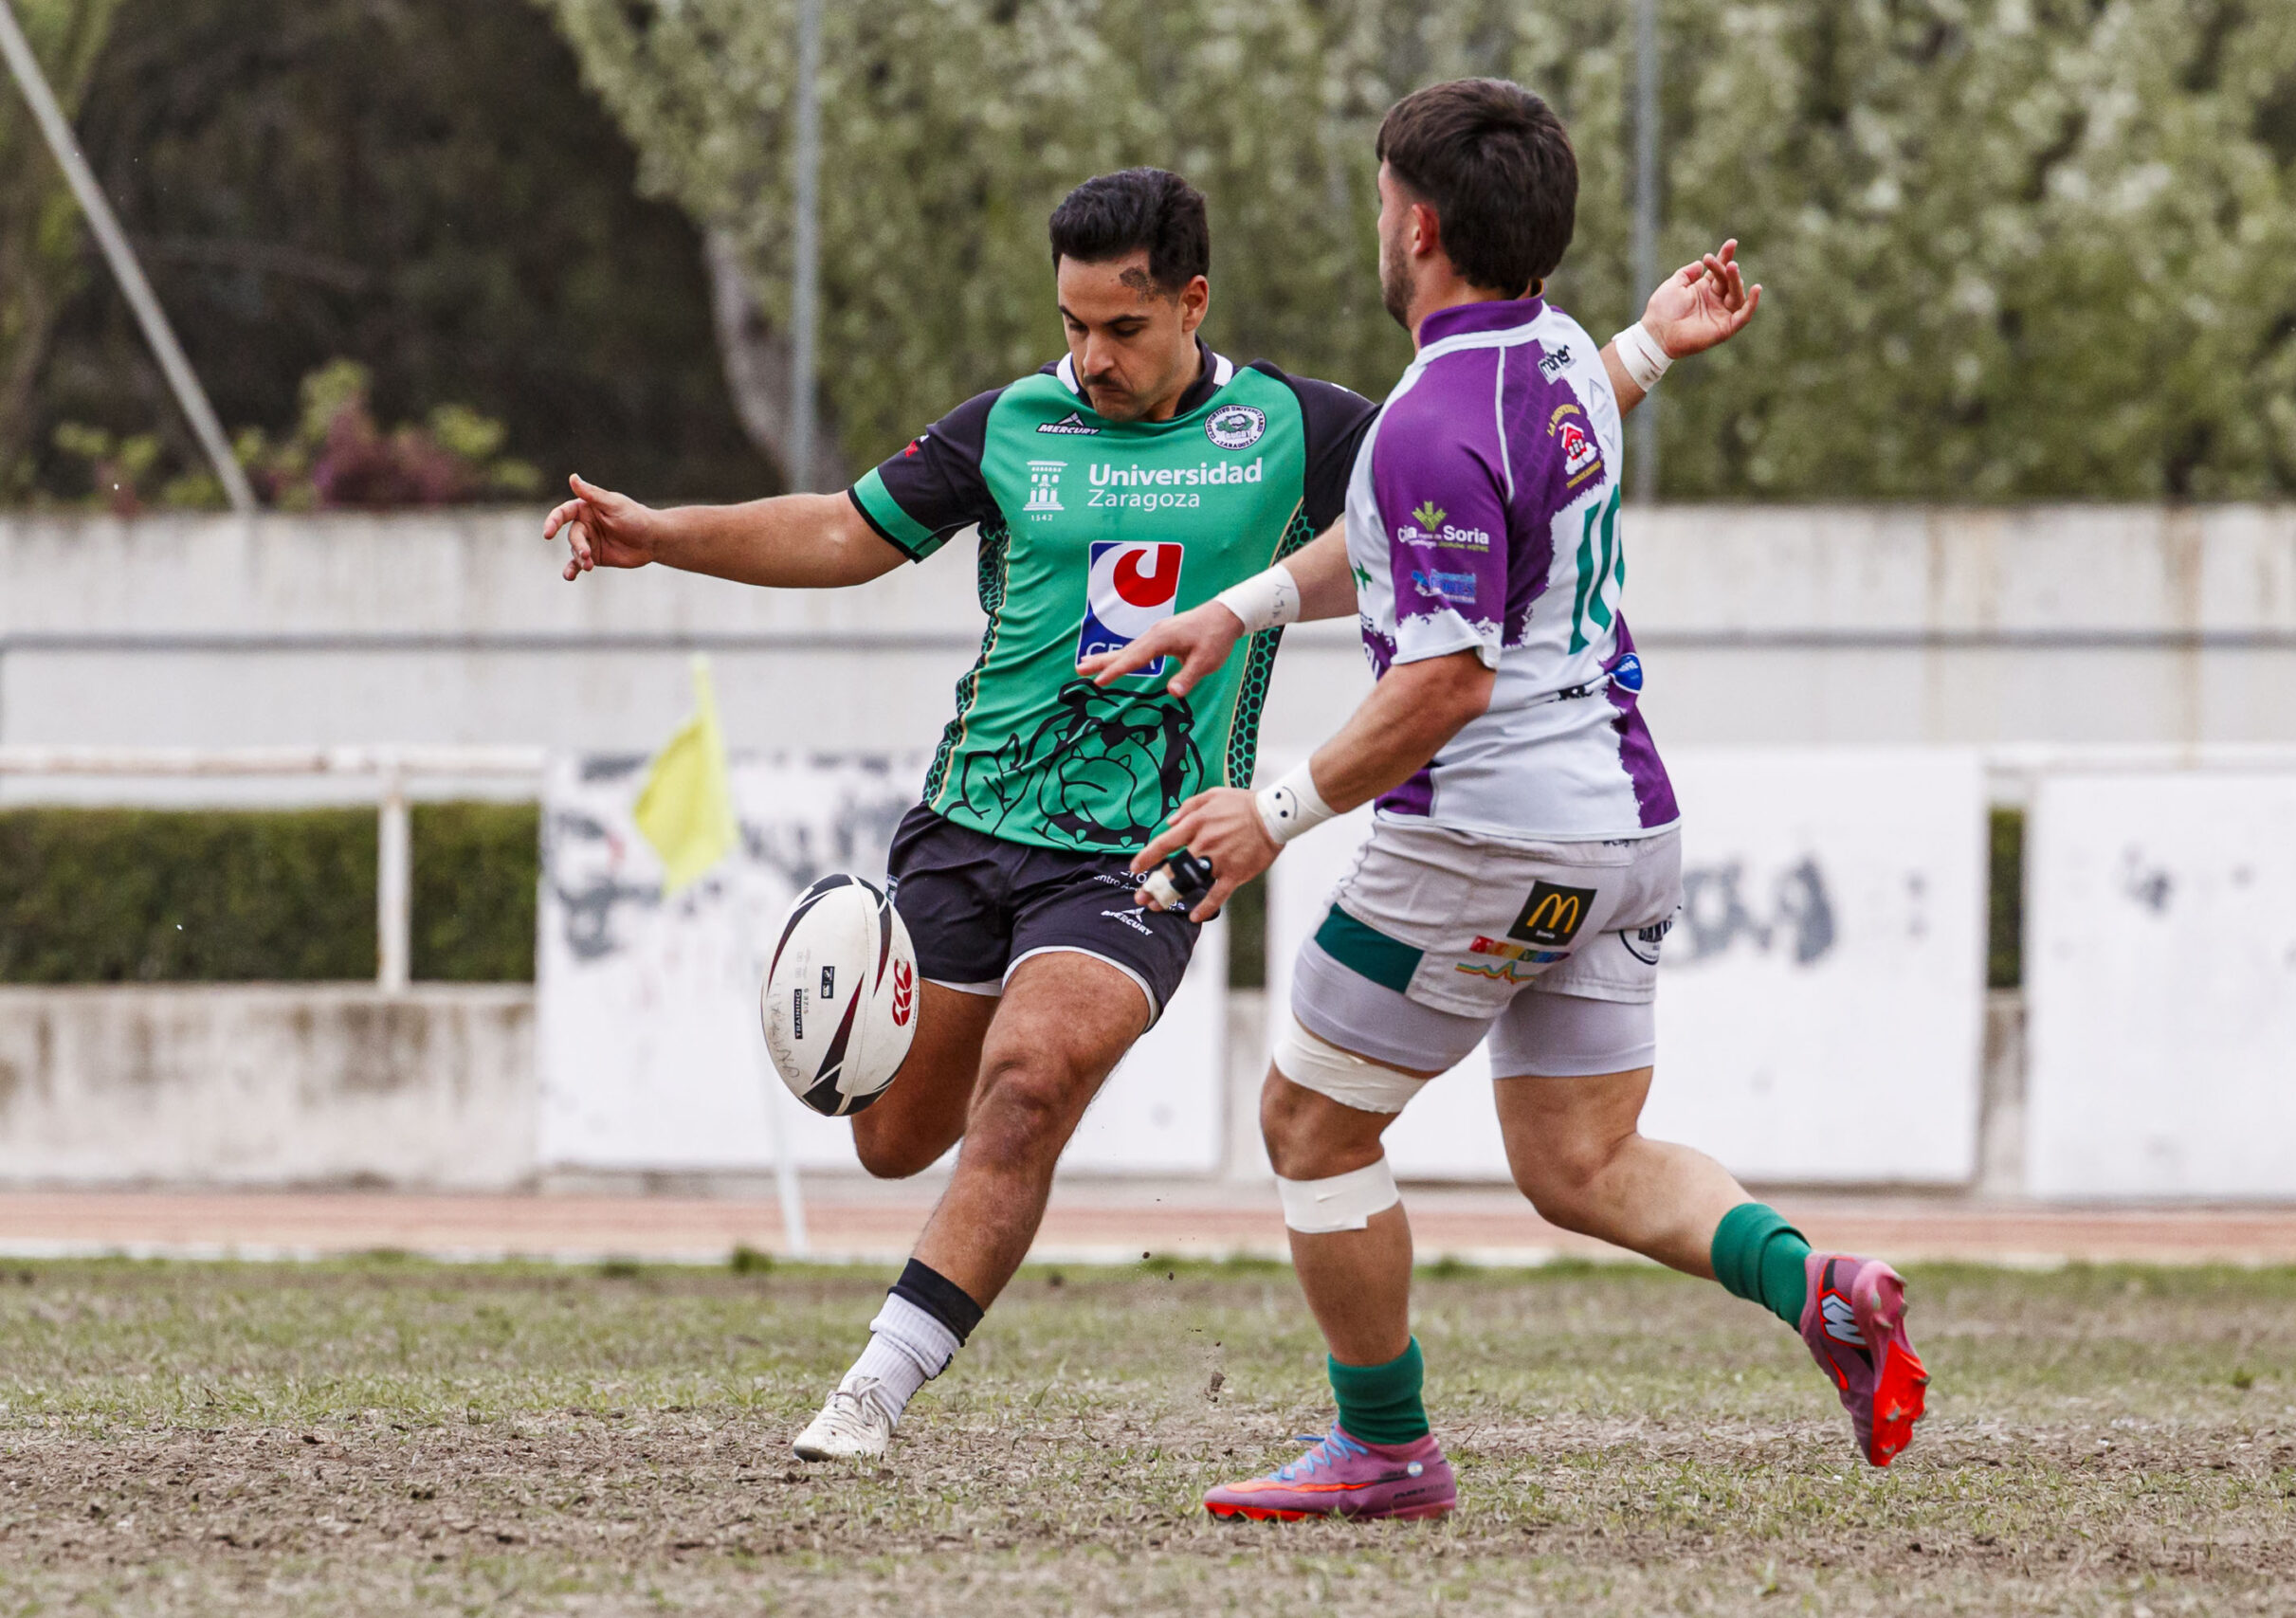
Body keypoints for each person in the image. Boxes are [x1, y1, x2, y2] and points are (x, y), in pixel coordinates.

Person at [543, 166, 1656, 1464]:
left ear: (1191, 303)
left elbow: (1485, 444)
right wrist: (663, 534)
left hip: (1149, 850)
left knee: (1027, 1090)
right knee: (895, 1141)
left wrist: (1638, 355)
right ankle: (940, 1214)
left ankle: (870, 1391)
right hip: (966, 827)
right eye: (1073, 325)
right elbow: (846, 533)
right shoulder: (1013, 424)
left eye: (1121, 329)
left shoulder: (1298, 428)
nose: (1092, 356)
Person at [1084, 81, 1927, 1522]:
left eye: (1376, 200)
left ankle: (1384, 1451)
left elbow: (1446, 683)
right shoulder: (1548, 359)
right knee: (1578, 1162)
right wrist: (1240, 606)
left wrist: (1268, 811)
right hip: (1626, 830)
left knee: (1312, 1126)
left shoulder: (1425, 419)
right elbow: (1433, 528)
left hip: (1485, 837)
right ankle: (1821, 1290)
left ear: (1417, 227)